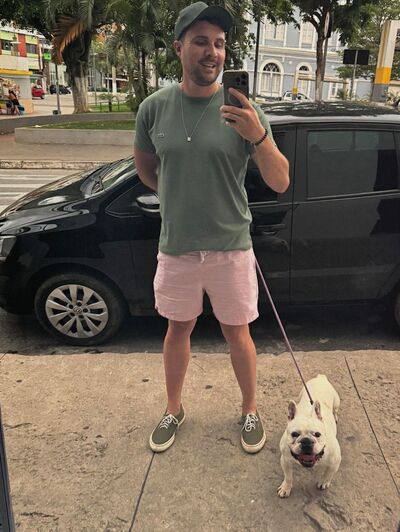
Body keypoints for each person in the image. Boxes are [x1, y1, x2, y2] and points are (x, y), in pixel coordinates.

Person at [133, 2, 290, 454]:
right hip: (177, 246)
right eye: (201, 41)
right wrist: (181, 196)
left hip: (230, 248)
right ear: (178, 47)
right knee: (177, 329)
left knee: (237, 333)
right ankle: (174, 408)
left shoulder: (243, 109)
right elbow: (147, 170)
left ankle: (249, 410)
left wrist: (258, 136)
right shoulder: (153, 108)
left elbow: (280, 181)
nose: (212, 52)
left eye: (219, 44)